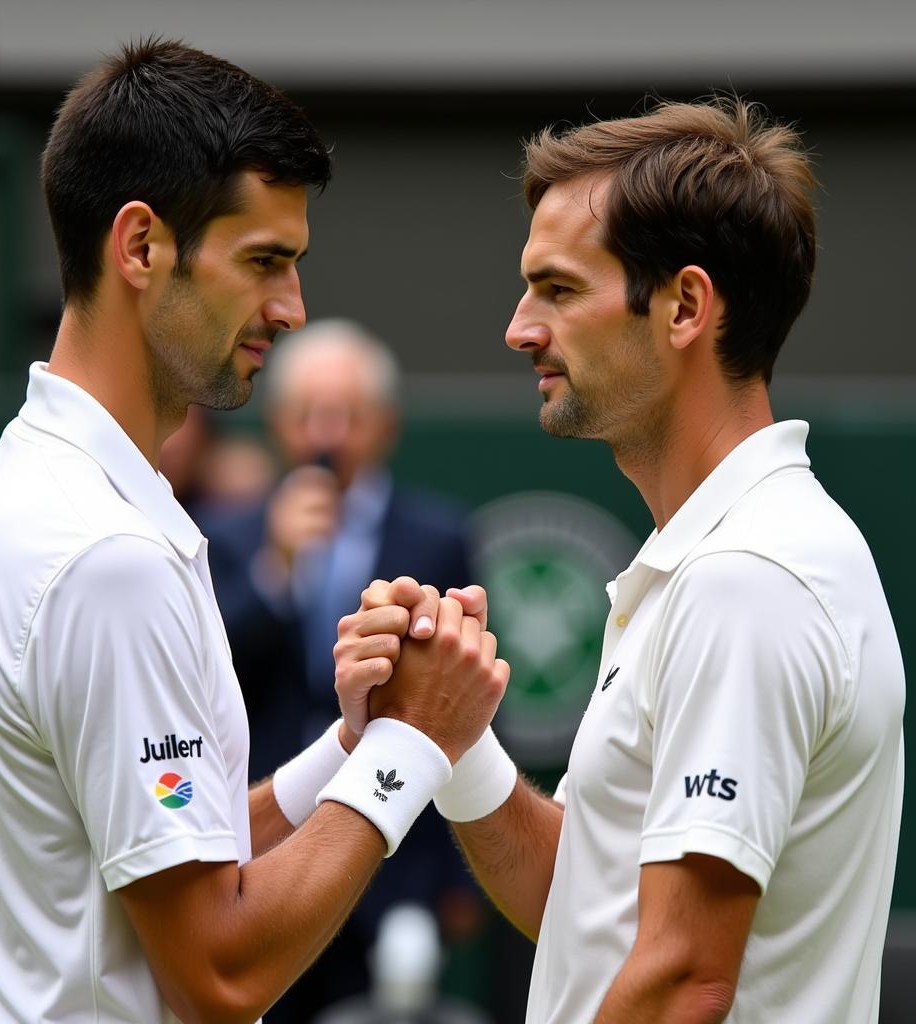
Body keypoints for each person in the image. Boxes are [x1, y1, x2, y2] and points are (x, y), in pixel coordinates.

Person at [0, 39, 508, 1023]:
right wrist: (412, 749)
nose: (292, 308)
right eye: (264, 262)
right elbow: (217, 970)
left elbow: (168, 846)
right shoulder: (108, 557)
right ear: (141, 246)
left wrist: (351, 746)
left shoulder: (11, 489)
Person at [333, 98, 905, 1022]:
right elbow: (597, 910)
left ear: (685, 306)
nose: (520, 329)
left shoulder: (746, 580)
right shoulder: (724, 560)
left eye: (557, 290)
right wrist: (452, 741)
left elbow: (683, 977)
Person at [203, 320, 481, 1020]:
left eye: (347, 416)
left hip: (394, 853)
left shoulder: (437, 535)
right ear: (276, 423)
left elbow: (464, 702)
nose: (326, 436)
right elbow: (210, 672)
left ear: (384, 426)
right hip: (267, 842)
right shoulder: (228, 534)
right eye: (307, 415)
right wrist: (277, 571)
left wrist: (458, 872)